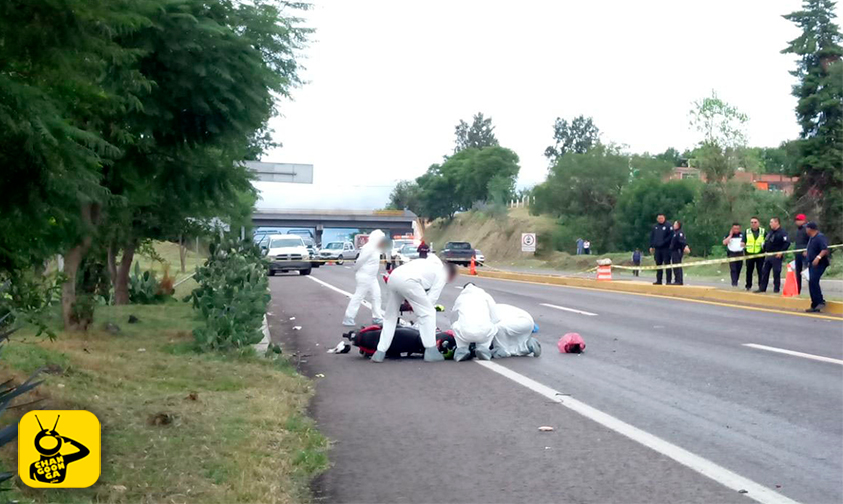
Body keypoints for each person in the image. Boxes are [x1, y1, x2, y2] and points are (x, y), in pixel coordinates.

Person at [373, 254, 458, 363]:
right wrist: (418, 308)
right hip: (409, 281)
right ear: (451, 274)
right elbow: (432, 299)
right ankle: (431, 350)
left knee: (390, 317)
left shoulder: (428, 264)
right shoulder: (443, 273)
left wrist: (414, 304)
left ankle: (380, 352)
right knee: (428, 313)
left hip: (393, 277)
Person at [343, 230, 387, 326]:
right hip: (365, 276)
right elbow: (360, 261)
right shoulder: (369, 248)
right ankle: (349, 317)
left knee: (377, 296)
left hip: (372, 276)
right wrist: (356, 270)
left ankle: (377, 317)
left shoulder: (376, 248)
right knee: (359, 296)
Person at [450, 283, 498, 361]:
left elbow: (453, 316)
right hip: (484, 332)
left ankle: (462, 349)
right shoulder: (486, 296)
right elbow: (495, 315)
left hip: (465, 333)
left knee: (455, 325)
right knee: (493, 326)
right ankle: (483, 348)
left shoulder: (461, 297)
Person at [756, 217, 789, 293]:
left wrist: (781, 252)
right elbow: (767, 242)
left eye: (771, 222)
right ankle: (762, 288)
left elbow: (787, 243)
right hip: (768, 255)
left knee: (776, 272)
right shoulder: (770, 232)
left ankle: (776, 289)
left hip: (776, 255)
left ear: (777, 222)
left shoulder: (782, 232)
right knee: (764, 272)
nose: (770, 224)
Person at [804, 222, 830, 312]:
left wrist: (818, 257)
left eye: (806, 228)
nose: (805, 230)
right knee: (811, 282)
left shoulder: (820, 237)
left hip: (820, 263)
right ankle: (814, 304)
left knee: (814, 281)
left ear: (810, 229)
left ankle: (820, 301)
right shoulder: (811, 238)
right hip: (812, 263)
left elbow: (824, 249)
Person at [742, 217, 765, 291]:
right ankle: (748, 286)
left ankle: (761, 286)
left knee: (760, 270)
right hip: (749, 253)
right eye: (752, 222)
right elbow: (743, 242)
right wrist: (743, 245)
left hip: (760, 253)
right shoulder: (747, 231)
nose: (753, 224)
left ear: (758, 223)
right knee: (749, 271)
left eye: (755, 222)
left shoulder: (763, 231)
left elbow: (767, 241)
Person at [649, 214, 673, 285]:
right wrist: (651, 246)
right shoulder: (655, 227)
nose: (660, 220)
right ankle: (659, 280)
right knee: (658, 264)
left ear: (664, 218)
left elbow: (671, 236)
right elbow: (652, 237)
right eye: (659, 218)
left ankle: (668, 281)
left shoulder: (668, 226)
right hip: (657, 249)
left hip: (665, 248)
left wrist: (664, 242)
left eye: (661, 218)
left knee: (667, 264)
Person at [722, 223, 744, 287]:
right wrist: (730, 235)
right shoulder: (728, 235)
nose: (736, 230)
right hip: (732, 253)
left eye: (737, 228)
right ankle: (734, 283)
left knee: (738, 268)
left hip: (740, 253)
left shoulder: (742, 235)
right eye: (734, 228)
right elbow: (724, 242)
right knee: (733, 269)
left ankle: (736, 280)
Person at [793, 214, 809, 294]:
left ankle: (811, 289)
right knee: (797, 272)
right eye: (796, 220)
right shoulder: (798, 230)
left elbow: (811, 240)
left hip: (805, 253)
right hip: (798, 253)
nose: (797, 222)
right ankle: (797, 290)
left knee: (807, 271)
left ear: (804, 220)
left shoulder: (807, 229)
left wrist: (807, 250)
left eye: (799, 220)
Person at [669, 220, 689, 285]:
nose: (673, 225)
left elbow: (682, 241)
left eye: (675, 224)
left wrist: (685, 246)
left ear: (678, 225)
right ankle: (676, 279)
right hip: (673, 251)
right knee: (675, 265)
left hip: (677, 251)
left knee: (677, 265)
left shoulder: (680, 233)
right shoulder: (675, 233)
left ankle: (679, 280)